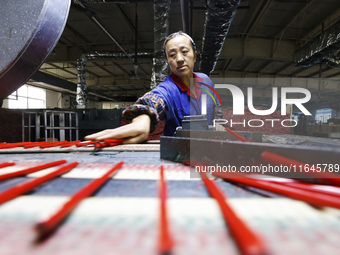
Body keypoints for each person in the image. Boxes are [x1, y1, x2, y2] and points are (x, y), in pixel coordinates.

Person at [85, 31, 222, 143]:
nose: (179, 59)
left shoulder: (205, 80)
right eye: (172, 55)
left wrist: (219, 126)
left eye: (185, 51)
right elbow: (153, 100)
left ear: (195, 56)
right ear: (168, 61)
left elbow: (216, 106)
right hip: (179, 155)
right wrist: (143, 118)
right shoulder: (168, 89)